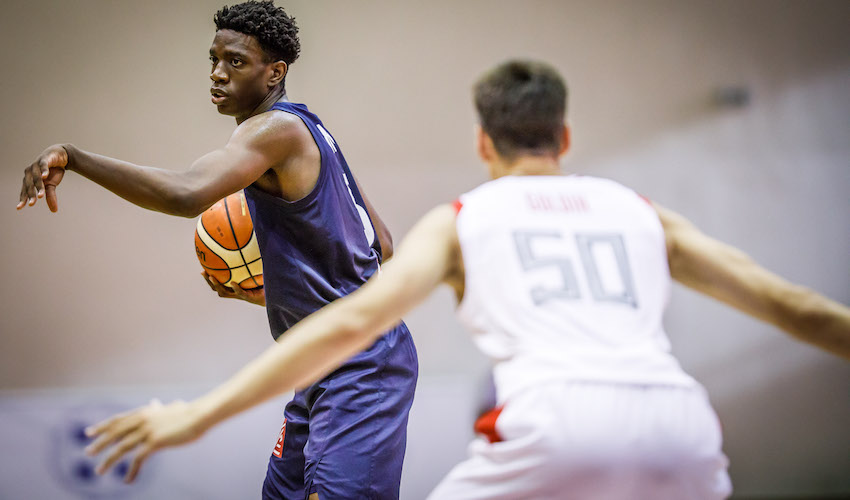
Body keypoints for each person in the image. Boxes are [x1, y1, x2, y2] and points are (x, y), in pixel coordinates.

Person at [82, 60, 850, 499]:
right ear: (566, 136)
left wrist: (198, 414)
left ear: (483, 142)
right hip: (683, 425)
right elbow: (794, 307)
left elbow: (351, 322)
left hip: (551, 418)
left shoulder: (463, 219)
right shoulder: (640, 211)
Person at [16, 2, 418, 499]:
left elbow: (186, 194)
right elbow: (381, 244)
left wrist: (75, 158)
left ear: (275, 73)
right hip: (318, 358)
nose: (217, 73)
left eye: (236, 62)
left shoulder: (275, 130)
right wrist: (278, 292)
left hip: (361, 363)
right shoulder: (312, 129)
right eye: (214, 59)